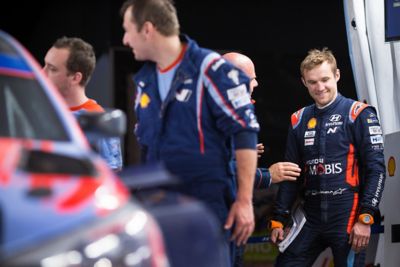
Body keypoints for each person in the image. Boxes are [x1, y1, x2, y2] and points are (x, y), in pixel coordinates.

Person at [120, 0, 259, 265]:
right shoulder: (144, 81)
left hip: (208, 206)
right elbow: (147, 147)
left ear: (147, 29)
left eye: (128, 30)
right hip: (160, 207)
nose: (126, 40)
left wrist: (244, 201)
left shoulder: (210, 68)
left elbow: (245, 132)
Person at [269, 48, 386, 266]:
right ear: (304, 82)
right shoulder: (298, 119)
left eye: (325, 79)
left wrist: (366, 217)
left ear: (337, 75)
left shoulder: (359, 114)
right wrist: (279, 217)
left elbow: (376, 169)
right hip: (311, 214)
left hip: (347, 213)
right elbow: (290, 173)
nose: (320, 87)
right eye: (312, 82)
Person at [222, 52, 301, 267]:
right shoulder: (210, 115)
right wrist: (269, 176)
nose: (256, 83)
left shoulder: (227, 114)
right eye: (251, 78)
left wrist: (240, 154)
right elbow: (215, 171)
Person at [43, 37, 123, 171]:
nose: (41, 73)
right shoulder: (42, 112)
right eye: (44, 65)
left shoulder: (98, 122)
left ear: (75, 78)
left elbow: (111, 176)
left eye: (52, 69)